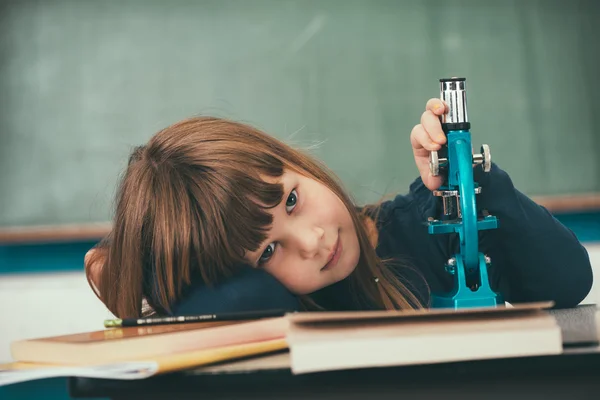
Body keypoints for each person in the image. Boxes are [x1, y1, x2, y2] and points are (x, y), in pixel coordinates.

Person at [85, 99, 593, 318]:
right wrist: (136, 272)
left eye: (291, 200)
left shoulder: (429, 224)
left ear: (294, 161)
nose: (313, 242)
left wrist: (472, 181)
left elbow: (567, 280)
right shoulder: (274, 305)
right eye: (267, 252)